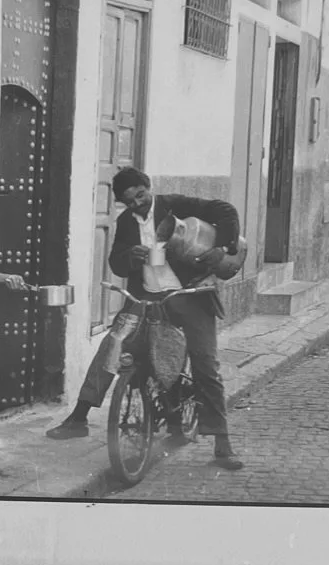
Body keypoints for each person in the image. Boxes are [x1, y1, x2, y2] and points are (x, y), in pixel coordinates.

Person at [46, 166, 244, 470]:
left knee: (205, 365)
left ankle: (222, 443)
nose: (137, 204)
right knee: (112, 346)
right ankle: (79, 418)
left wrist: (223, 248)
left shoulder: (176, 205)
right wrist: (130, 257)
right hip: (148, 298)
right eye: (129, 201)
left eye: (140, 195)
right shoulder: (126, 222)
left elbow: (226, 211)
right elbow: (117, 264)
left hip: (189, 295)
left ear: (148, 187)